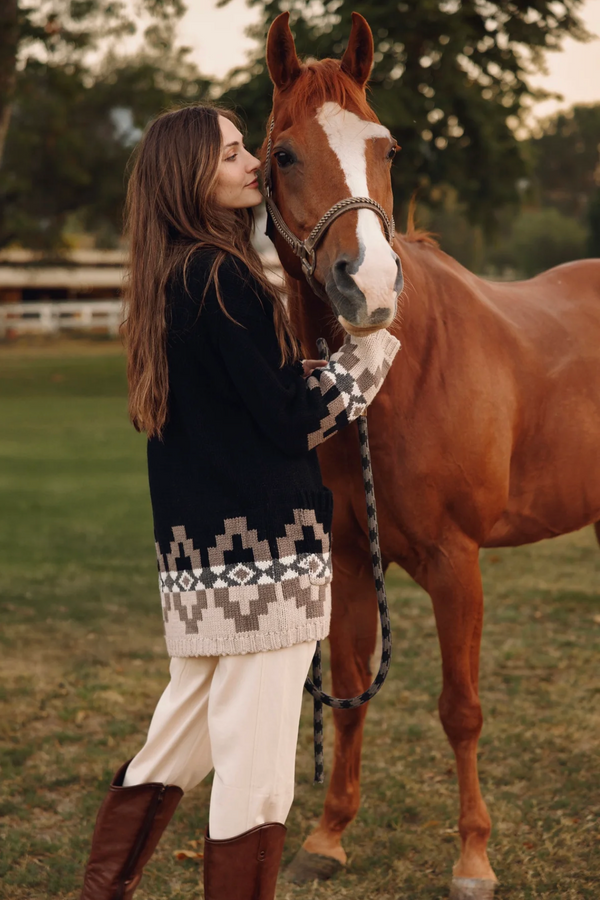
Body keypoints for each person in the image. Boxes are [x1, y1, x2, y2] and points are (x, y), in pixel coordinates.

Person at [77, 103, 400, 900]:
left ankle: (99, 890)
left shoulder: (171, 276)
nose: (251, 161)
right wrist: (371, 354)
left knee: (177, 746)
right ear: (190, 177)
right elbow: (292, 418)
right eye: (229, 155)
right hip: (263, 569)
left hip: (202, 568)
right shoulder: (222, 278)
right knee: (255, 777)